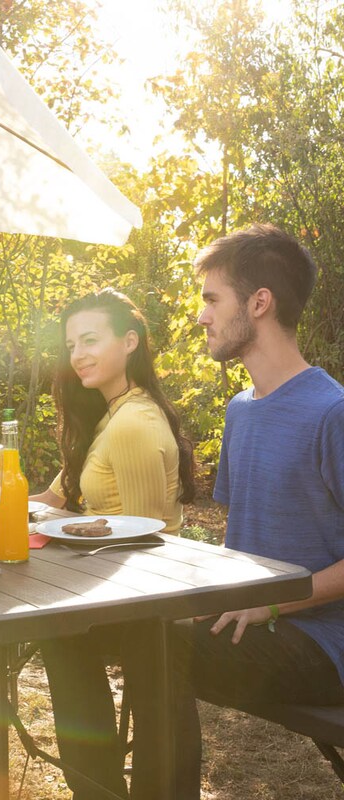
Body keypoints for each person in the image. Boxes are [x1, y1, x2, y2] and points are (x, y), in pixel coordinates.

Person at [139, 223, 344, 798]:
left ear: (259, 303)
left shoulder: (332, 413)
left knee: (158, 646)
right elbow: (243, 539)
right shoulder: (241, 410)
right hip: (258, 623)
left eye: (212, 299)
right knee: (111, 625)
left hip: (327, 643)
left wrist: (269, 601)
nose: (201, 316)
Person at [30, 288, 195, 799]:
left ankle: (98, 789)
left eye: (90, 340)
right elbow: (51, 500)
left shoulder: (132, 425)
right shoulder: (106, 417)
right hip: (109, 589)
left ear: (129, 342)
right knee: (53, 631)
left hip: (147, 609)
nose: (77, 354)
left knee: (59, 635)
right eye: (71, 345)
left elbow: (148, 540)